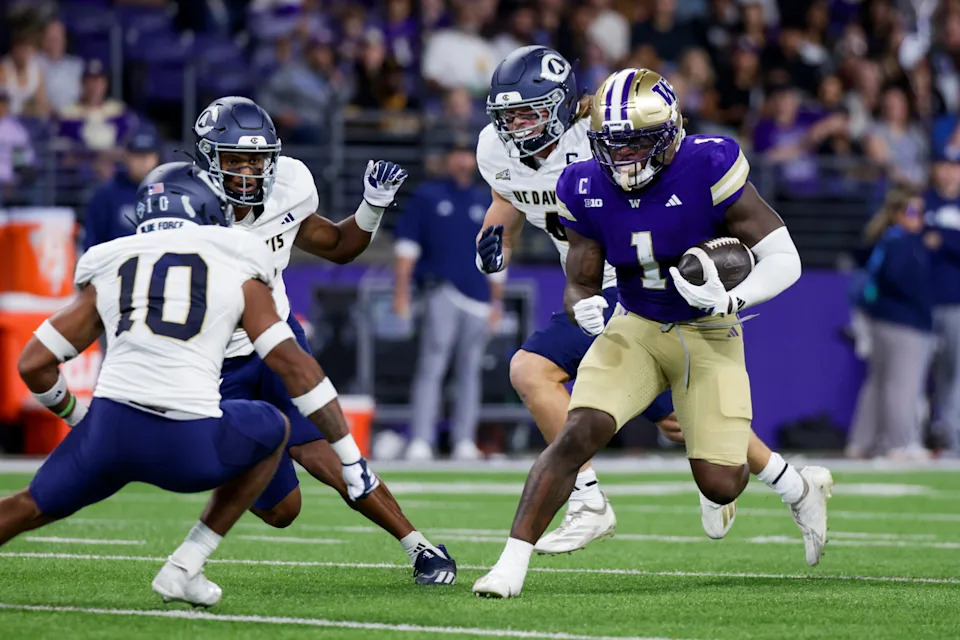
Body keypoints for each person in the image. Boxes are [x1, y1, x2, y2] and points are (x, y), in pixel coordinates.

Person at [473, 68, 832, 598]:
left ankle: (788, 485)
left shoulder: (708, 164)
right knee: (577, 432)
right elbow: (580, 277)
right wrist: (585, 306)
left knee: (718, 476)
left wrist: (733, 298)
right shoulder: (583, 181)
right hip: (633, 323)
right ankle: (513, 562)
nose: (622, 159)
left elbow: (784, 257)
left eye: (635, 144)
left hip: (707, 328)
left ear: (667, 135)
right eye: (610, 146)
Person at [0, 163, 379, 607]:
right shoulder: (234, 255)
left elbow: (34, 365)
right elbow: (292, 364)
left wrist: (78, 418)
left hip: (109, 433)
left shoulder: (112, 259)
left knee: (27, 507)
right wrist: (350, 460)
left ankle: (183, 565)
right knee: (271, 426)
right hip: (188, 441)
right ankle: (186, 563)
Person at [194, 96, 457, 585]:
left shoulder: (288, 188)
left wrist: (372, 206)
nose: (249, 173)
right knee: (283, 511)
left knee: (332, 454)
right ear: (210, 159)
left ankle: (418, 547)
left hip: (274, 342)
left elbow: (337, 246)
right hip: (212, 364)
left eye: (257, 160)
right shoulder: (185, 209)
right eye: (235, 160)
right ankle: (245, 458)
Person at [393, 137, 502, 461]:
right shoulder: (428, 196)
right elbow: (406, 248)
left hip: (479, 297)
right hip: (441, 290)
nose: (462, 162)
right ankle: (421, 439)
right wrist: (401, 293)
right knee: (433, 364)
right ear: (447, 160)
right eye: (457, 155)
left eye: (467, 156)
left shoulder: (486, 200)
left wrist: (497, 303)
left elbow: (496, 256)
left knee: (470, 370)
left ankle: (464, 439)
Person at [847, 186, 936, 459]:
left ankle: (861, 443)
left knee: (879, 384)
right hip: (904, 321)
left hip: (884, 319)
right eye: (912, 211)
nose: (917, 217)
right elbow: (900, 280)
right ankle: (900, 443)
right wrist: (924, 307)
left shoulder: (887, 239)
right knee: (903, 385)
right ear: (897, 213)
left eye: (921, 211)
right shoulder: (904, 242)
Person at [924, 157, 960, 455]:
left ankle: (951, 439)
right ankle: (913, 438)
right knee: (915, 374)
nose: (948, 171)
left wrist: (944, 240)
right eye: (943, 165)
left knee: (953, 374)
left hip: (954, 302)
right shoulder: (925, 201)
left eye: (954, 166)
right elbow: (911, 234)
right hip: (921, 303)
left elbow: (934, 239)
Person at [82, 128, 162, 250]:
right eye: (137, 156)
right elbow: (92, 241)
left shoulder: (168, 193)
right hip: (117, 264)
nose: (143, 162)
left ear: (157, 158)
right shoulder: (106, 194)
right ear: (126, 157)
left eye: (147, 156)